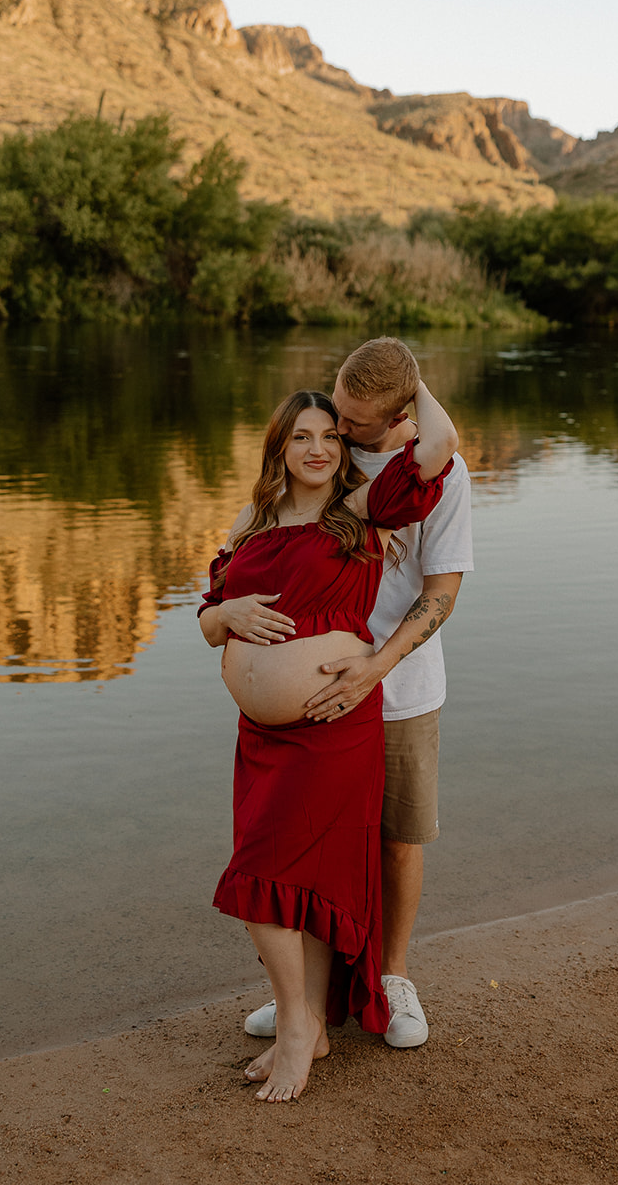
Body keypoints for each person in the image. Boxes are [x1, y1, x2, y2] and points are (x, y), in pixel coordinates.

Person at [199, 372, 458, 1102]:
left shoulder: (356, 513)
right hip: (261, 737)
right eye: (300, 436)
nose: (316, 448)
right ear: (278, 448)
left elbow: (437, 443)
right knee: (291, 881)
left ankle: (293, 1030)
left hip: (332, 726)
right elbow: (206, 619)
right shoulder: (248, 529)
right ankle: (309, 1023)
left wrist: (407, 378)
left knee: (258, 882)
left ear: (342, 445)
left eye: (328, 434)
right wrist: (230, 611)